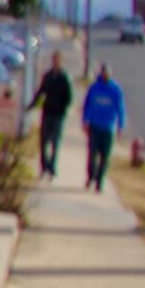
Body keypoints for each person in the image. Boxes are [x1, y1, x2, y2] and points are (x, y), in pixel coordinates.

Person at [82, 64, 127, 191]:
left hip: (108, 128)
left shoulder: (115, 90)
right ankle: (91, 176)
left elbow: (120, 108)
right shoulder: (94, 88)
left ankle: (99, 181)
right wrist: (85, 121)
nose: (105, 75)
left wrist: (120, 125)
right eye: (103, 73)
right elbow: (87, 105)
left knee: (105, 156)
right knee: (92, 154)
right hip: (94, 126)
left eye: (107, 73)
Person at [30, 52, 73, 180]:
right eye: (54, 60)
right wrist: (32, 105)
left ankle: (52, 168)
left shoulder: (64, 78)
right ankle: (44, 167)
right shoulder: (47, 76)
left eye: (58, 60)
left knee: (55, 142)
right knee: (43, 142)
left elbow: (69, 97)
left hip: (58, 115)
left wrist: (64, 108)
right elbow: (41, 92)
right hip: (47, 112)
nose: (55, 62)